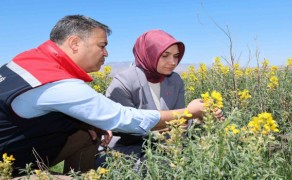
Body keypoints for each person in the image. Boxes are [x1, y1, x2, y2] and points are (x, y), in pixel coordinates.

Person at [0, 15, 205, 176]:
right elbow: (125, 119)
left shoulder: (26, 61)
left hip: (15, 150)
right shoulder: (57, 83)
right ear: (75, 43)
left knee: (87, 134)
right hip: (6, 165)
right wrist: (188, 113)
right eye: (102, 45)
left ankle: (81, 174)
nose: (106, 53)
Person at [99, 30, 187, 161]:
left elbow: (181, 119)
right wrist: (187, 114)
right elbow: (129, 126)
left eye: (176, 56)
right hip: (126, 152)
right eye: (165, 55)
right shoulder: (124, 81)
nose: (173, 62)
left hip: (168, 147)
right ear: (148, 54)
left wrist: (199, 118)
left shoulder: (175, 80)